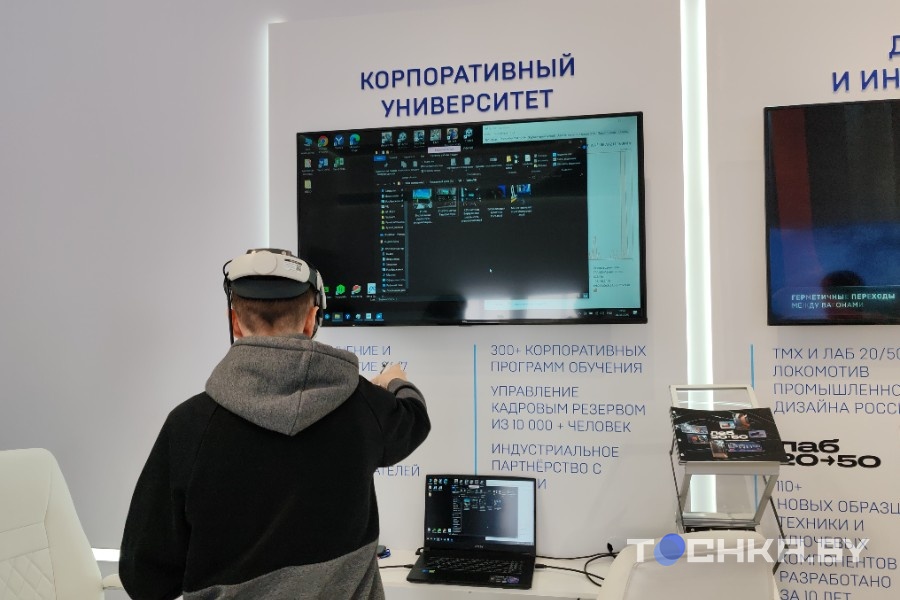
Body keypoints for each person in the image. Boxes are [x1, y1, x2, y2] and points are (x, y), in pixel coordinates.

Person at [119, 248, 430, 599]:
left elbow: (144, 577)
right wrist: (393, 381)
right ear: (312, 320)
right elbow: (415, 419)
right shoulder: (362, 405)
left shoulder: (188, 425)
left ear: (235, 322)